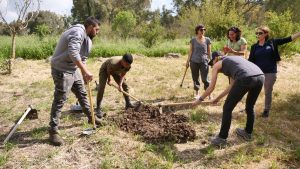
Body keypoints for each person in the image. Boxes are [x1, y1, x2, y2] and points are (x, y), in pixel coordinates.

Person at [193, 51, 265, 146]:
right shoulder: (233, 61)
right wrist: (217, 98)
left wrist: (200, 99)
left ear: (216, 59)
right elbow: (231, 86)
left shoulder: (217, 64)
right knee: (250, 106)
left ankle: (222, 138)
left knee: (227, 108)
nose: (212, 66)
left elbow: (211, 87)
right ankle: (248, 133)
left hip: (245, 77)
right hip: (260, 76)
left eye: (212, 63)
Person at [49, 16, 101, 146]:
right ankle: (53, 131)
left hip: (73, 68)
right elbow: (73, 52)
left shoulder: (88, 39)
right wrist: (84, 71)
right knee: (60, 99)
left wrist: (83, 72)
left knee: (82, 93)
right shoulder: (77, 32)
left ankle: (91, 117)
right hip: (61, 69)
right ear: (90, 27)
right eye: (96, 29)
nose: (97, 32)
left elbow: (82, 58)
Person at [248, 26, 300, 118]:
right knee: (252, 90)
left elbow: (288, 39)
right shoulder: (254, 47)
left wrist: (299, 33)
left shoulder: (272, 42)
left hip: (270, 72)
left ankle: (266, 110)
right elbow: (251, 61)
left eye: (260, 33)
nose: (258, 35)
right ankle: (249, 108)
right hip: (257, 72)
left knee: (268, 91)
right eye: (257, 33)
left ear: (266, 34)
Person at [186, 24, 211, 98]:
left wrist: (212, 61)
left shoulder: (207, 40)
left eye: (204, 30)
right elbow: (190, 51)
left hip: (204, 61)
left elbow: (209, 51)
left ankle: (208, 93)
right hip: (194, 61)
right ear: (197, 31)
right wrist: (187, 61)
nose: (203, 31)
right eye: (201, 30)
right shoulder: (193, 40)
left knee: (205, 78)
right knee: (195, 77)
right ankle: (197, 93)